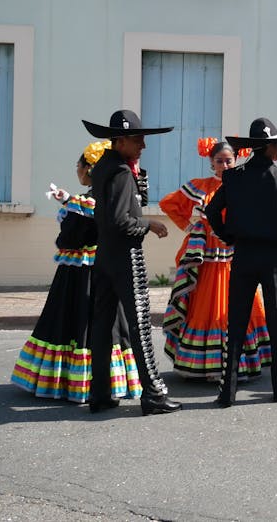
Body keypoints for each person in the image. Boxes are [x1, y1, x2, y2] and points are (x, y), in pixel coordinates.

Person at [11, 142, 142, 404]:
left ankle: (74, 381)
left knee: (75, 320)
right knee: (108, 324)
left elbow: (71, 238)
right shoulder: (106, 196)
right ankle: (108, 380)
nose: (77, 170)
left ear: (88, 169)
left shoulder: (85, 202)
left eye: (78, 165)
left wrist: (67, 223)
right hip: (102, 266)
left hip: (77, 275)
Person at [82, 109, 181, 415]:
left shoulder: (102, 168)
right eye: (138, 139)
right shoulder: (122, 173)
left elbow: (118, 213)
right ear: (121, 140)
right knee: (139, 325)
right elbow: (122, 221)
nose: (143, 146)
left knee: (101, 326)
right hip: (126, 256)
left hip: (104, 256)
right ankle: (152, 394)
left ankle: (99, 393)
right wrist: (147, 226)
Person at [206, 118, 277, 407]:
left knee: (236, 322)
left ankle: (227, 391)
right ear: (267, 147)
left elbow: (212, 211)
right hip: (274, 256)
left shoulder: (234, 177)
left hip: (244, 254)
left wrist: (227, 235)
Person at [159, 139, 271, 379]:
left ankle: (235, 362)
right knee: (206, 304)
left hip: (234, 254)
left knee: (239, 304)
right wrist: (190, 226)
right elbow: (169, 203)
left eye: (228, 160)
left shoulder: (245, 185)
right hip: (206, 257)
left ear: (236, 160)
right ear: (211, 163)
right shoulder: (201, 187)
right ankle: (207, 363)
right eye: (219, 161)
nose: (224, 165)